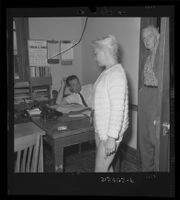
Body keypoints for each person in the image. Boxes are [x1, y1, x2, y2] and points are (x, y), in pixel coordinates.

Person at [92, 35, 129, 172]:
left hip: (109, 133)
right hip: (102, 129)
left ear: (105, 52)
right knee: (106, 168)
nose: (95, 58)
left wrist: (112, 138)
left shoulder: (116, 74)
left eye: (96, 54)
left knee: (99, 171)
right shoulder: (107, 72)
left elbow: (118, 109)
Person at [138, 25, 160, 171]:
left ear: (157, 36)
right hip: (145, 96)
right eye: (144, 38)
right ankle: (147, 172)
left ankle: (158, 173)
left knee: (155, 138)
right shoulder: (146, 56)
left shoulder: (161, 54)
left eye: (150, 36)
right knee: (144, 138)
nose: (146, 40)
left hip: (156, 97)